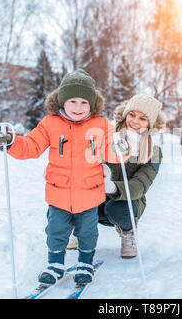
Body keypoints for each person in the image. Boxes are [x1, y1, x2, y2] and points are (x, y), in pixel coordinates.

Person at [0, 69, 130, 286]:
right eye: (72, 101)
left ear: (92, 104)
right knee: (56, 230)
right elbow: (31, 146)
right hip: (58, 192)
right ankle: (55, 264)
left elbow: (112, 151)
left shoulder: (102, 125)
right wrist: (12, 143)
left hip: (89, 192)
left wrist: (122, 147)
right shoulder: (50, 124)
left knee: (87, 231)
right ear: (61, 101)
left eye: (84, 102)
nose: (78, 107)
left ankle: (85, 262)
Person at [68, 94, 167, 258]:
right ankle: (79, 230)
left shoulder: (154, 151)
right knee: (75, 196)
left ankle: (128, 233)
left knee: (118, 208)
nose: (135, 121)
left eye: (143, 119)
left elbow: (141, 185)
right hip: (98, 197)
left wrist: (113, 187)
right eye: (132, 115)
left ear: (151, 123)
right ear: (125, 114)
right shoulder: (108, 136)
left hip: (127, 202)